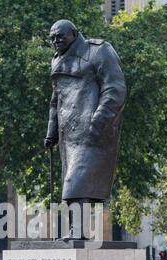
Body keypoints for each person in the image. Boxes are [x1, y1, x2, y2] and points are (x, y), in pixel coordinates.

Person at [44, 19, 126, 239]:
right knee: (71, 187)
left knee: (76, 183)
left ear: (73, 34)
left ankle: (78, 233)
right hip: (68, 133)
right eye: (51, 38)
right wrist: (52, 132)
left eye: (59, 36)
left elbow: (115, 89)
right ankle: (76, 232)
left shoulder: (99, 51)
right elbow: (56, 99)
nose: (55, 41)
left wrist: (98, 122)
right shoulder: (57, 60)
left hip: (91, 130)